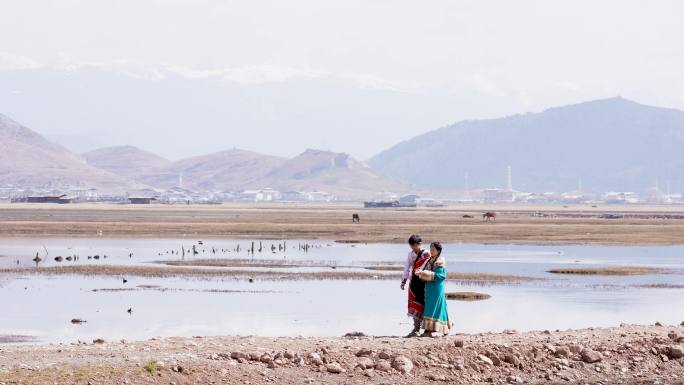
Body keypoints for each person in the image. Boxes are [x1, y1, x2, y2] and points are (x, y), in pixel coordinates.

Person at [415, 241, 453, 337]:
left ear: (438, 251)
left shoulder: (440, 262)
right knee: (437, 307)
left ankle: (428, 330)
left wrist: (425, 274)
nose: (431, 251)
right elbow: (425, 272)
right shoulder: (429, 261)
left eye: (433, 250)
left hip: (436, 288)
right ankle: (444, 329)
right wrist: (421, 273)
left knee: (434, 307)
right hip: (429, 288)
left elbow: (441, 276)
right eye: (431, 249)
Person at [401, 234, 431, 337]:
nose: (413, 247)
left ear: (419, 244)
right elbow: (407, 267)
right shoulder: (410, 255)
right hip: (413, 283)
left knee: (425, 304)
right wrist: (404, 280)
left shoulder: (426, 254)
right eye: (411, 246)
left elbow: (429, 266)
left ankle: (427, 329)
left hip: (423, 282)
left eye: (414, 245)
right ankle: (416, 328)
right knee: (414, 304)